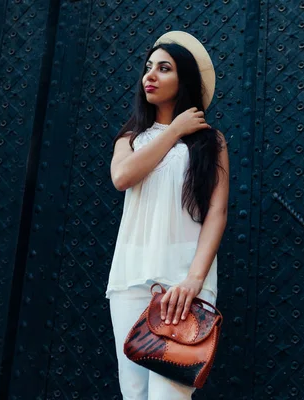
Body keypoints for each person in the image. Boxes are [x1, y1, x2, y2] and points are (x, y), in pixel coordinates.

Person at [106, 31, 229, 399]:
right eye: (148, 68)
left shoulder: (211, 142)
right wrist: (174, 130)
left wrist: (194, 280)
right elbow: (122, 177)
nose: (151, 75)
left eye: (164, 68)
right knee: (134, 393)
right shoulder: (130, 139)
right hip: (130, 279)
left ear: (184, 80)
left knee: (169, 395)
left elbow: (217, 213)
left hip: (184, 281)